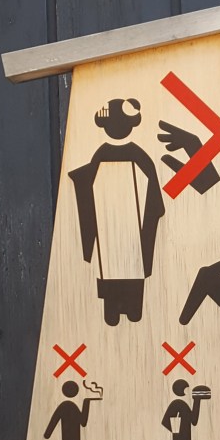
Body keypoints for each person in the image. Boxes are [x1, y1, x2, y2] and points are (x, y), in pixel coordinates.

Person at [69, 98, 165, 325]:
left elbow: (153, 193)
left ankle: (131, 309)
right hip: (108, 225)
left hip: (133, 227)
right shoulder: (102, 154)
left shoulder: (138, 155)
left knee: (130, 264)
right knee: (110, 265)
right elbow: (87, 184)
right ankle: (113, 309)